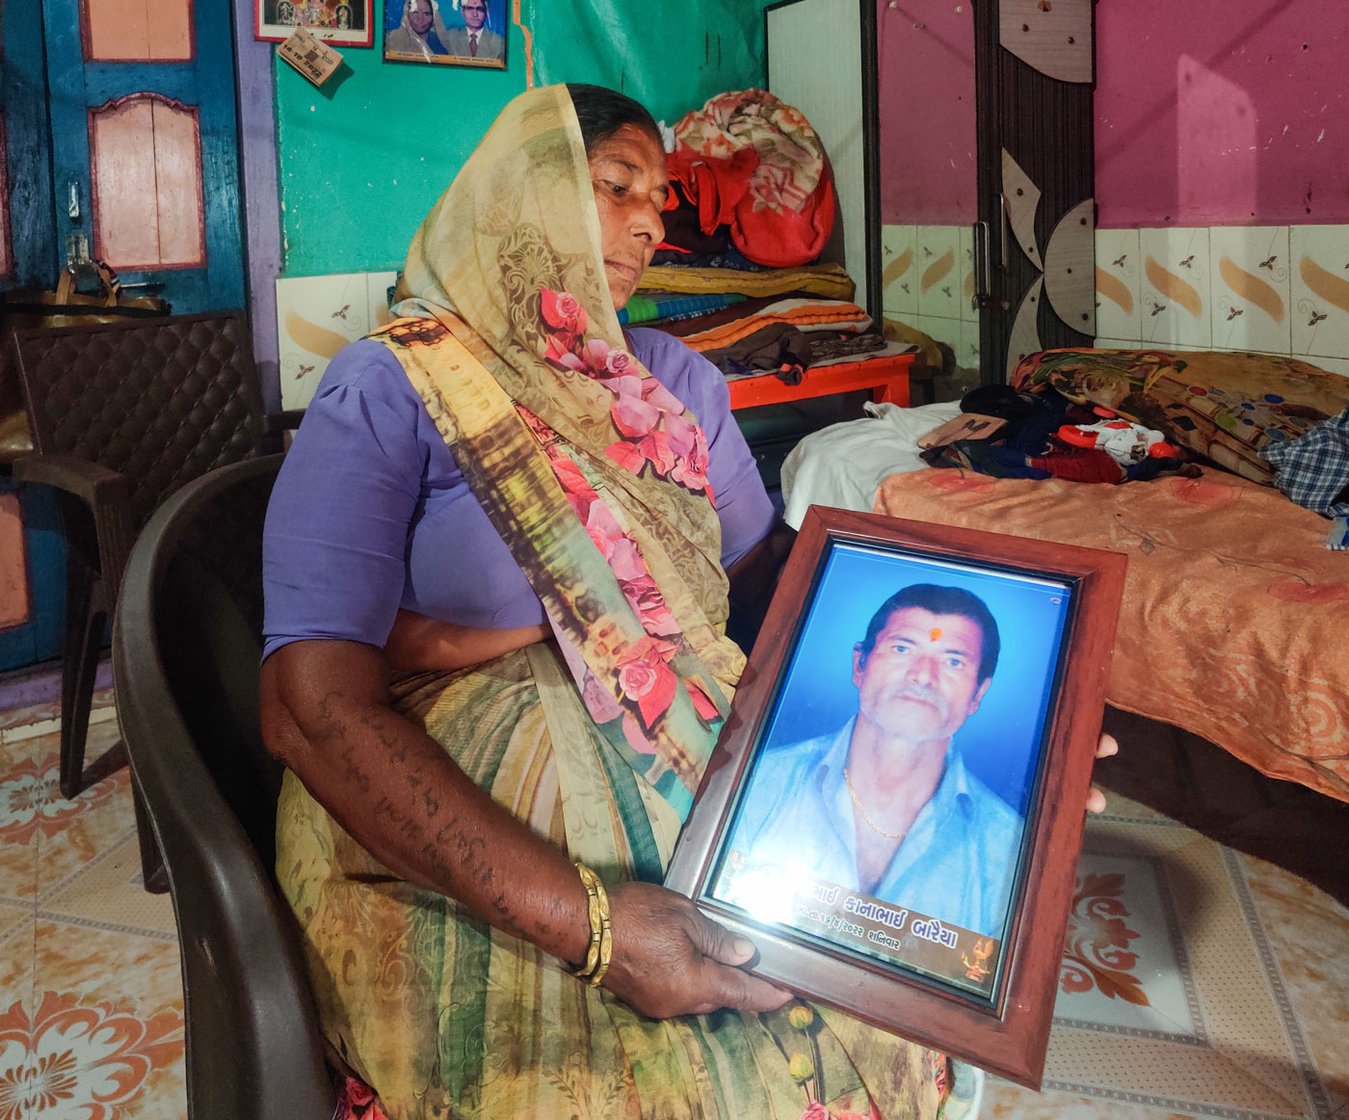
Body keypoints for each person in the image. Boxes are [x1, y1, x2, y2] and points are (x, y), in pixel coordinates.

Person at [261, 84, 1115, 1119]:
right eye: (614, 185)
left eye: (657, 198)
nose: (648, 220)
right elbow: (308, 701)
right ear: (513, 198)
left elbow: (761, 577)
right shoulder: (391, 386)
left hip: (695, 758)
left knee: (841, 958)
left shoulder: (668, 378)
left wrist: (1030, 722)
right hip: (468, 833)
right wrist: (594, 927)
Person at [725, 584, 1037, 939]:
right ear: (860, 664)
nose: (923, 675)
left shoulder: (1009, 851)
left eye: (953, 661)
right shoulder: (758, 782)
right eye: (902, 648)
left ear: (978, 694)